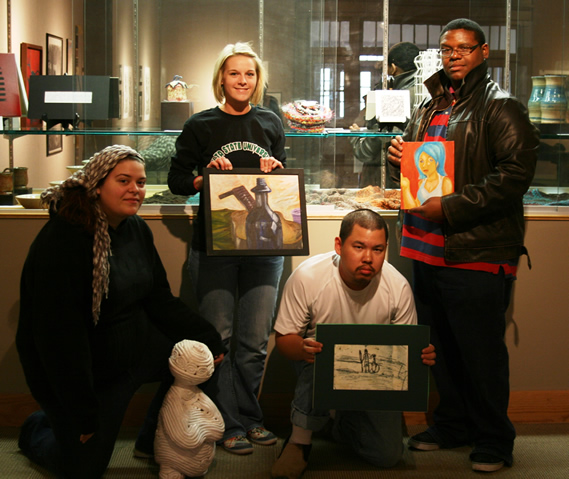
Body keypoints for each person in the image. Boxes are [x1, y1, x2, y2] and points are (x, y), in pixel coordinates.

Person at [16, 145, 226, 479]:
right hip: (88, 372)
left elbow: (159, 299)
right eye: (124, 180)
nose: (135, 190)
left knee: (201, 358)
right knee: (84, 469)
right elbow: (60, 340)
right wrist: (82, 411)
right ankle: (37, 430)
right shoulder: (63, 240)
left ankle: (150, 439)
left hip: (135, 349)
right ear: (97, 185)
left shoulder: (136, 229)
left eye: (141, 183)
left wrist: (209, 339)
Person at [387, 18, 539, 473]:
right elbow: (422, 172)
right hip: (423, 246)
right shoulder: (431, 105)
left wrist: (451, 208)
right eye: (447, 49)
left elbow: (514, 177)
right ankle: (453, 423)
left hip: (476, 249)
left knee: (480, 352)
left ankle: (494, 438)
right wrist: (400, 158)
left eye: (464, 49)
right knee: (440, 348)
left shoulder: (502, 107)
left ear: (484, 51)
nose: (454, 56)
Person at [168, 42, 286, 455]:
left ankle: (251, 418)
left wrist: (276, 169)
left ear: (257, 81)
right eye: (235, 74)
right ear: (221, 77)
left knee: (254, 341)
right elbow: (177, 180)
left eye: (250, 75)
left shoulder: (271, 122)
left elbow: (284, 184)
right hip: (214, 244)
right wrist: (203, 179)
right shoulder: (200, 125)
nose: (242, 81)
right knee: (218, 338)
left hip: (265, 247)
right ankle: (228, 423)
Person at [270, 209, 436, 479]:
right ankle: (298, 442)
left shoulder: (398, 287)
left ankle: (337, 421)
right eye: (358, 246)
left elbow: (405, 355)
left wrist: (420, 357)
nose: (368, 257)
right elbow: (284, 340)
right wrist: (302, 348)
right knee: (322, 356)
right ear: (339, 245)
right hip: (319, 370)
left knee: (387, 457)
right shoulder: (308, 277)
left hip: (375, 378)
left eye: (378, 249)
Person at [351, 42, 421, 189]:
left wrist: (355, 136)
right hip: (419, 174)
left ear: (393, 68)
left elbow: (368, 151)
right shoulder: (428, 92)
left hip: (389, 179)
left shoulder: (394, 98)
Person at [401, 141, 453, 208]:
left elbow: (448, 209)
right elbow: (415, 208)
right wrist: (406, 188)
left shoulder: (445, 182)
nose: (424, 165)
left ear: (437, 162)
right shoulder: (421, 183)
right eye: (421, 161)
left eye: (430, 160)